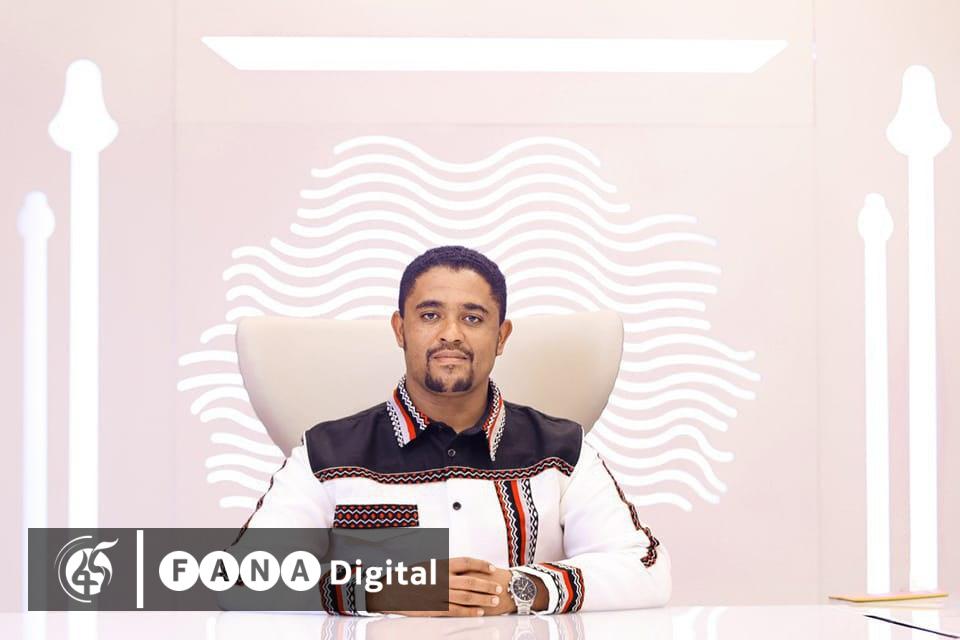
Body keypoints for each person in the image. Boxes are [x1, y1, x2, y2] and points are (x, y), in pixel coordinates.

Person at [227, 245, 670, 615]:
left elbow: (646, 570)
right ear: (400, 329)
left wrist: (518, 589)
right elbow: (240, 580)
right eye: (430, 316)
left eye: (473, 318)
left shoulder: (561, 449)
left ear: (501, 336)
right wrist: (383, 591)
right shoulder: (326, 453)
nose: (451, 334)